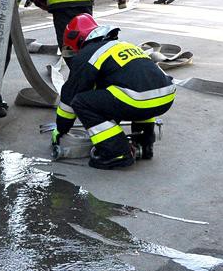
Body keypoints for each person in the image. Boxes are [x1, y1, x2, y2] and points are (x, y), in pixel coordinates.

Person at [51, 14, 175, 169]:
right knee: (134, 93)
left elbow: (70, 96)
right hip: (165, 96)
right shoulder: (121, 45)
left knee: (81, 102)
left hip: (137, 99)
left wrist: (61, 129)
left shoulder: (88, 53)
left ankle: (117, 152)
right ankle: (145, 144)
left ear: (78, 40)